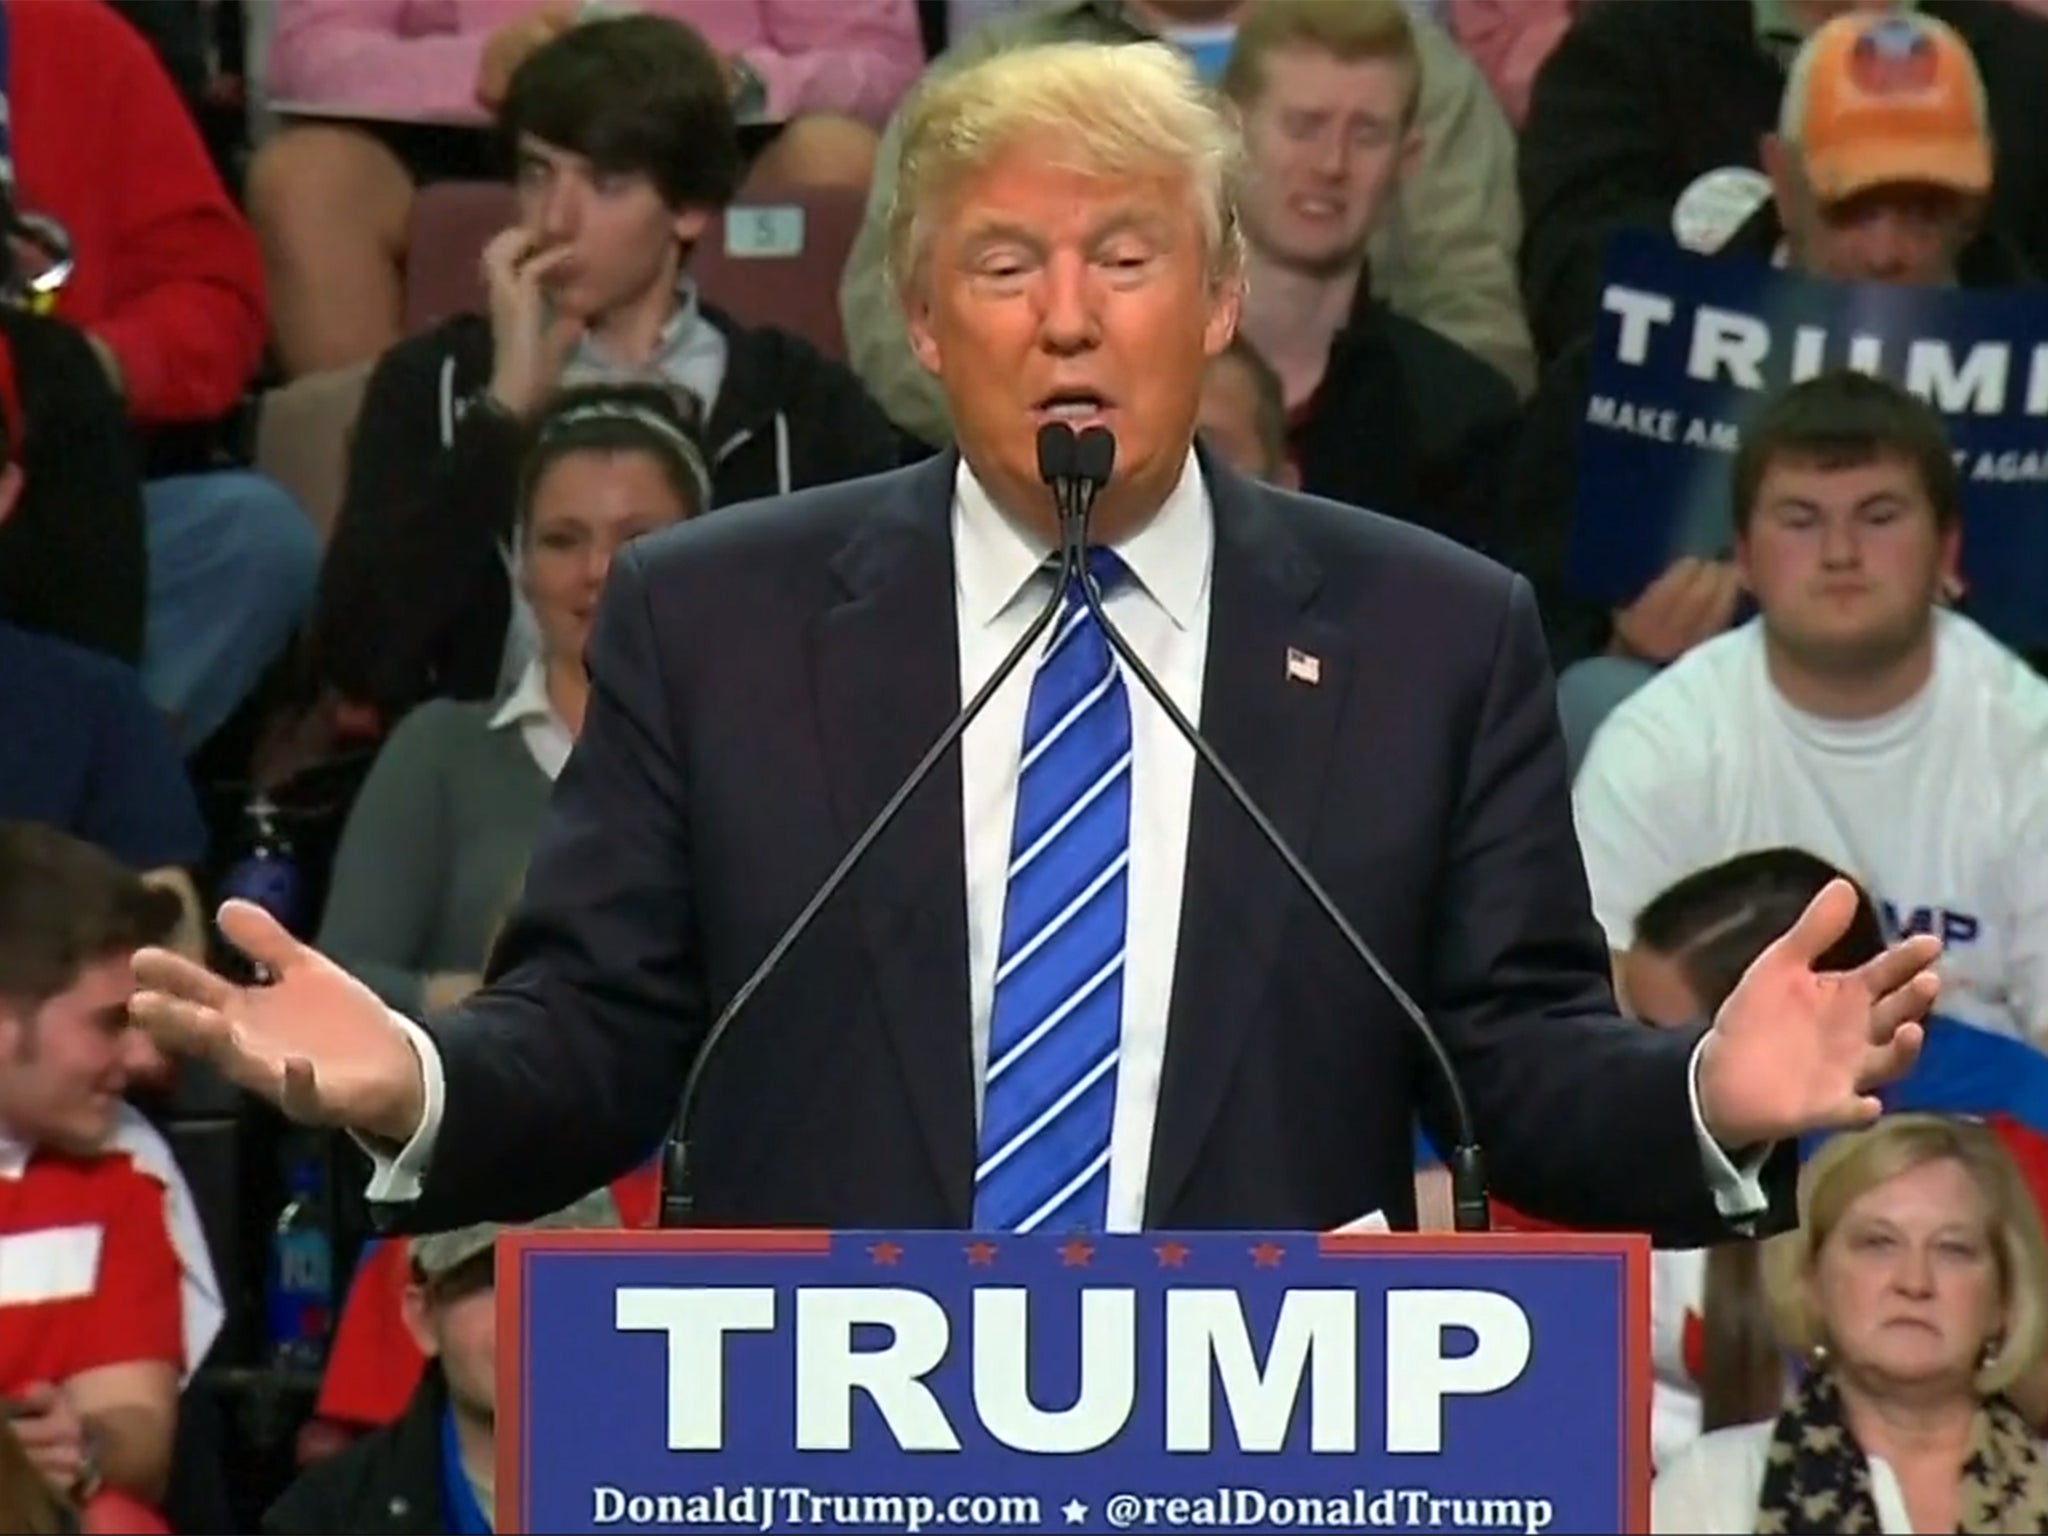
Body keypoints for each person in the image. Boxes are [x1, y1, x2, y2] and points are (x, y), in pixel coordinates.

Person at [130, 41, 1942, 1242]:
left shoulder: (1424, 634)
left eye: (1128, 260)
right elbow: (603, 1027)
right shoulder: (723, 614)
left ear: (1221, 293)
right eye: (1002, 268)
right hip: (816, 1456)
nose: (1066, 316)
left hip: (1260, 1459)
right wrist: (420, 1075)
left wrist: (1706, 1091)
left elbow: (1517, 1068)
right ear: (920, 315)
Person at [317, 384, 711, 1015]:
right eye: (562, 540)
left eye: (639, 539)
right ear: (521, 568)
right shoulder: (441, 750)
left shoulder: (764, 753)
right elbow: (337, 983)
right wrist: (484, 1006)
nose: (599, 569)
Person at [1651, 1113, 2048, 1532]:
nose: (1914, 1282)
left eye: (1953, 1249)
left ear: (2003, 1300)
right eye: (1878, 1244)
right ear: (1812, 1281)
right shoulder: (1709, 1489)